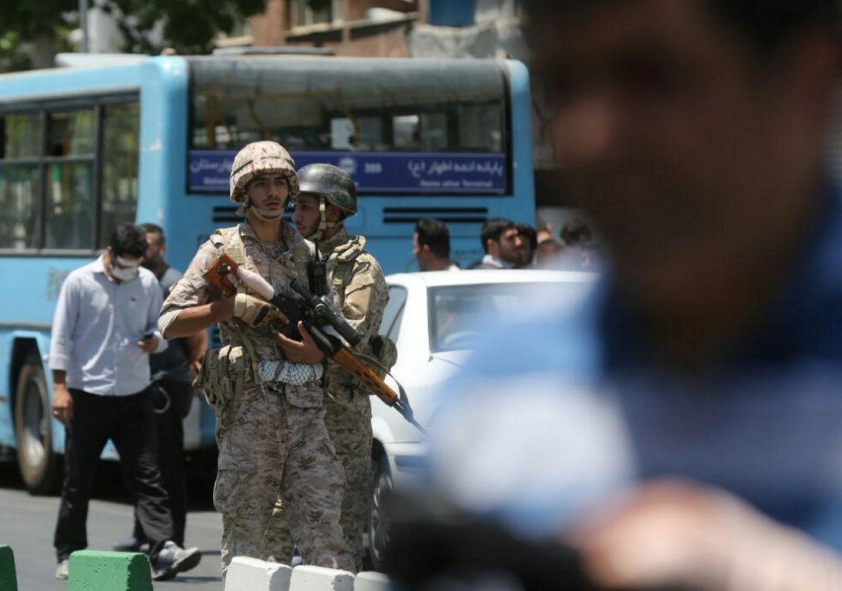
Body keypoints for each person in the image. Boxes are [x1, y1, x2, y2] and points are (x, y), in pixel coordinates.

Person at [400, 0, 842, 589]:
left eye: (653, 75)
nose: (589, 137)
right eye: (563, 85)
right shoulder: (496, 388)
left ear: (809, 83)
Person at [158, 141, 352, 577]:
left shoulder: (308, 254)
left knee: (328, 542)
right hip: (251, 416)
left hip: (307, 417)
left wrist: (316, 350)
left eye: (280, 183)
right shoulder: (221, 251)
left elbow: (328, 327)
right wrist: (228, 308)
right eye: (260, 184)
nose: (272, 193)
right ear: (243, 192)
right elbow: (169, 322)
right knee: (247, 544)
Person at [49, 222, 199, 581]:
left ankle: (162, 547)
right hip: (89, 395)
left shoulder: (146, 284)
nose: (130, 271)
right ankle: (69, 551)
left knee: (148, 475)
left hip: (135, 395)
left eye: (137, 263)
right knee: (79, 478)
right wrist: (59, 388)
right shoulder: (79, 282)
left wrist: (155, 344)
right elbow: (60, 338)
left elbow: (161, 332)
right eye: (125, 263)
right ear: (109, 253)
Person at [260, 163, 390, 569]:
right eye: (294, 206)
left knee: (337, 535)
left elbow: (352, 332)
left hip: (340, 417)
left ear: (330, 212)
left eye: (303, 207)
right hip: (291, 412)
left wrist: (314, 346)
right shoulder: (293, 257)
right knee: (274, 528)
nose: (293, 215)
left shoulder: (361, 268)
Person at [111, 223, 207, 564]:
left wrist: (197, 365)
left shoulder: (172, 283)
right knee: (144, 463)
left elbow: (197, 332)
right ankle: (145, 535)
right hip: (142, 383)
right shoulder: (139, 281)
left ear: (161, 249)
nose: (143, 252)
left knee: (167, 465)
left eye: (148, 246)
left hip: (168, 384)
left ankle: (172, 540)